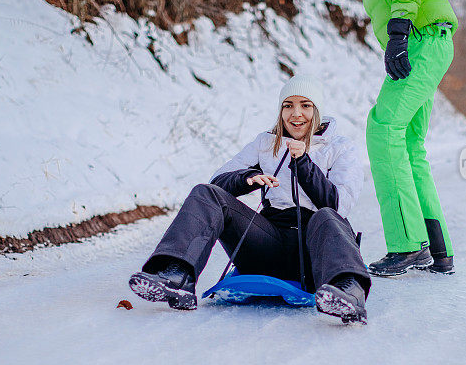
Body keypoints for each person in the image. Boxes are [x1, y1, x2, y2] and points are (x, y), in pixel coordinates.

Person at [129, 75, 371, 324]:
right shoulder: (266, 143)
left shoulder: (340, 147)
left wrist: (303, 164)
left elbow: (339, 205)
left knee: (326, 215)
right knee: (205, 193)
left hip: (315, 251)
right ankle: (176, 275)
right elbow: (218, 181)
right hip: (267, 243)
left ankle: (347, 291)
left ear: (317, 110)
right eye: (288, 105)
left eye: (305, 105)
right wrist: (247, 178)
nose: (296, 114)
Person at [317, 0, 457, 276]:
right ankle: (436, 248)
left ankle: (408, 246)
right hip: (428, 39)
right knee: (409, 144)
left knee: (383, 128)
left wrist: (398, 30)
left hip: (421, 38)